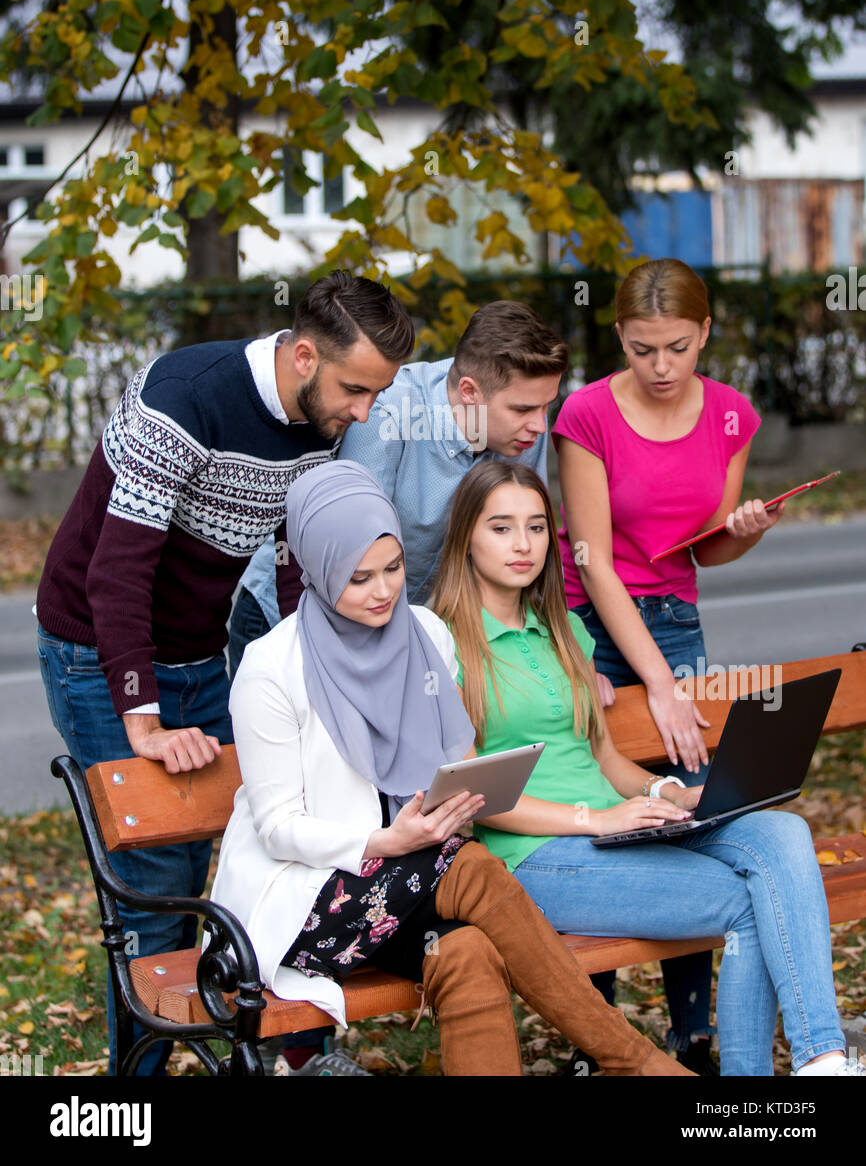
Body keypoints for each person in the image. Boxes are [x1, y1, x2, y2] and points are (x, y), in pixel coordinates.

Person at [36, 271, 414, 1074]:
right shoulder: (181, 397)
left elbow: (292, 557)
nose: (364, 413)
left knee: (267, 840)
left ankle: (289, 1058)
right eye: (356, 389)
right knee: (159, 874)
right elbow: (117, 572)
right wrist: (142, 719)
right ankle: (133, 1085)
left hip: (200, 649)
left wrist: (322, 671)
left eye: (376, 395)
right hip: (94, 647)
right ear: (305, 354)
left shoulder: (323, 417)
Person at [209, 460, 693, 1077]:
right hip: (306, 899)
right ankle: (636, 1063)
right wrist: (386, 839)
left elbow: (452, 765)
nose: (383, 592)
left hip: (407, 884)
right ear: (316, 569)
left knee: (466, 955)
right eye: (358, 579)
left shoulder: (425, 634)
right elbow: (277, 827)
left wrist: (451, 808)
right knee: (472, 868)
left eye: (393, 570)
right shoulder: (270, 669)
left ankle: (632, 1064)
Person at [429, 459, 862, 1077]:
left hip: (617, 827)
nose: (522, 545)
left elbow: (603, 758)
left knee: (780, 831)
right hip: (532, 858)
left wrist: (667, 792)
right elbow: (472, 799)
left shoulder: (566, 631)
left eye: (534, 527)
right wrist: (598, 821)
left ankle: (821, 1057)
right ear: (465, 535)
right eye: (501, 528)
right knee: (748, 902)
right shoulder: (444, 643)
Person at [552, 257, 785, 1070]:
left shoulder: (730, 416)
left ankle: (693, 1038)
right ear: (619, 336)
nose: (660, 367)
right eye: (643, 348)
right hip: (588, 621)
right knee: (600, 810)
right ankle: (599, 1040)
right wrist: (657, 682)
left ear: (705, 334)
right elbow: (592, 560)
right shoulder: (586, 414)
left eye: (678, 348)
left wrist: (745, 532)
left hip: (677, 619)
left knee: (690, 816)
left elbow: (704, 548)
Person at [226, 300, 571, 657]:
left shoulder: (524, 426)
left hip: (414, 624)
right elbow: (351, 554)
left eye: (547, 406)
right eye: (523, 410)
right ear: (469, 392)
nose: (538, 424)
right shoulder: (388, 411)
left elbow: (527, 539)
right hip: (297, 612)